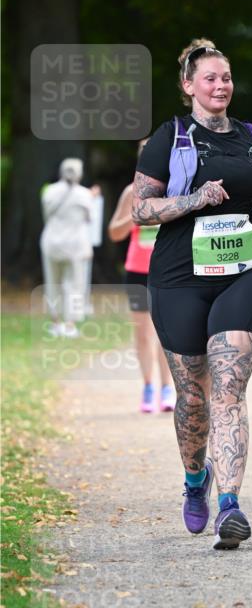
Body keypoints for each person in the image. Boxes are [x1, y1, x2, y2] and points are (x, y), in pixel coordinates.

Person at [131, 38, 252, 548]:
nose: (220, 86)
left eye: (226, 77)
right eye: (209, 78)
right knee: (193, 396)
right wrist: (193, 200)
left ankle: (230, 506)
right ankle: (195, 480)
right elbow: (141, 209)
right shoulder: (170, 137)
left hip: (243, 271)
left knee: (228, 388)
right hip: (179, 277)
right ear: (189, 86)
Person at [108, 139, 176, 414]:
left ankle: (167, 387)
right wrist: (133, 218)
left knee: (168, 333)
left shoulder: (174, 191)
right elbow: (114, 233)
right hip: (137, 270)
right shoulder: (131, 192)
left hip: (168, 270)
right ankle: (148, 386)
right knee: (143, 333)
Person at [40, 158, 97, 338]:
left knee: (53, 282)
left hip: (51, 241)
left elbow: (46, 216)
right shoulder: (85, 194)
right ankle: (70, 324)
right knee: (75, 284)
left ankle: (55, 323)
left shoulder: (49, 191)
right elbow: (90, 219)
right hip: (75, 244)